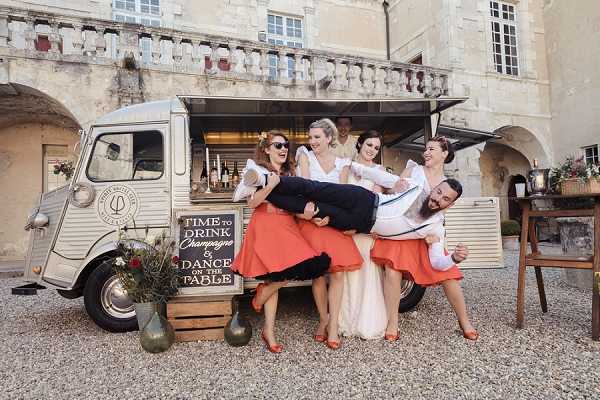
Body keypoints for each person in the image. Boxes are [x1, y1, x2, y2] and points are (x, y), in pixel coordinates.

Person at [354, 136, 479, 340]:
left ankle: (465, 321)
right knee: (392, 271)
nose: (426, 153)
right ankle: (392, 323)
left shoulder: (448, 184)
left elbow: (441, 216)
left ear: (444, 154)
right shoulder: (413, 170)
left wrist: (435, 238)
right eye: (426, 149)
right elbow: (392, 191)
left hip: (426, 235)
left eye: (432, 149)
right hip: (400, 231)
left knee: (449, 276)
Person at [241, 166, 468, 269]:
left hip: (360, 223)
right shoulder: (417, 188)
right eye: (439, 191)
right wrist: (355, 166)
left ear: (451, 204)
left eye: (445, 199)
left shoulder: (436, 229)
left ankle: (265, 193)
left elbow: (437, 263)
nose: (438, 199)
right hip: (364, 199)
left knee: (314, 207)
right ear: (435, 187)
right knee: (314, 188)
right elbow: (385, 178)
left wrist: (454, 259)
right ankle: (262, 178)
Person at [231, 131, 330, 353]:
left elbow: (295, 206)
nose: (284, 149)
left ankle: (263, 293)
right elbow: (252, 203)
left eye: (286, 145)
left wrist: (311, 216)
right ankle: (270, 332)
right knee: (275, 274)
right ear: (266, 149)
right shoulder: (257, 172)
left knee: (309, 265)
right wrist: (270, 185)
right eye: (278, 145)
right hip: (265, 225)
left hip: (287, 225)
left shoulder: (290, 172)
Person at [295, 118, 363, 350]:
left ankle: (333, 325)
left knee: (338, 274)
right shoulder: (305, 156)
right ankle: (322, 318)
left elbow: (343, 196)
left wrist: (331, 217)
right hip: (312, 222)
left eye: (317, 137)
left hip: (333, 222)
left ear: (328, 138)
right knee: (318, 273)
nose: (312, 141)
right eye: (310, 137)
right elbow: (305, 190)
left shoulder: (343, 162)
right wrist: (316, 215)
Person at [338, 130, 387, 340]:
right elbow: (338, 196)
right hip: (346, 231)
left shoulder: (379, 170)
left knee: (367, 272)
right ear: (359, 144)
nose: (372, 151)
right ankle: (346, 322)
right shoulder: (345, 166)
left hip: (366, 231)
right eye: (369, 145)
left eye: (376, 148)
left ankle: (368, 322)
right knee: (347, 275)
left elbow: (379, 204)